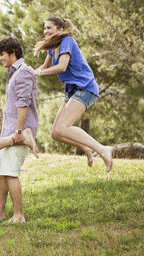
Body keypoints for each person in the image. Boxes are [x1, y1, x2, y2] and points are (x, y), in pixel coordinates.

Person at [26, 16, 113, 172]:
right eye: (44, 28)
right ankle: (87, 148)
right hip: (72, 90)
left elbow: (62, 66)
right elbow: (45, 66)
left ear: (60, 29)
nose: (45, 31)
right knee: (56, 133)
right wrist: (29, 73)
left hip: (85, 87)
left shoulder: (66, 40)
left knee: (64, 127)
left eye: (49, 28)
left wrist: (38, 72)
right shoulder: (53, 46)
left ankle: (102, 149)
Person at [0, 37, 38, 224]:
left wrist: (19, 131)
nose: (0, 58)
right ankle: (0, 213)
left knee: (10, 171)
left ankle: (19, 215)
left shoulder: (24, 73)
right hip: (7, 132)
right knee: (0, 170)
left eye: (2, 54)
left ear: (12, 53)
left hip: (19, 132)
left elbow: (23, 104)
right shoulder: (12, 73)